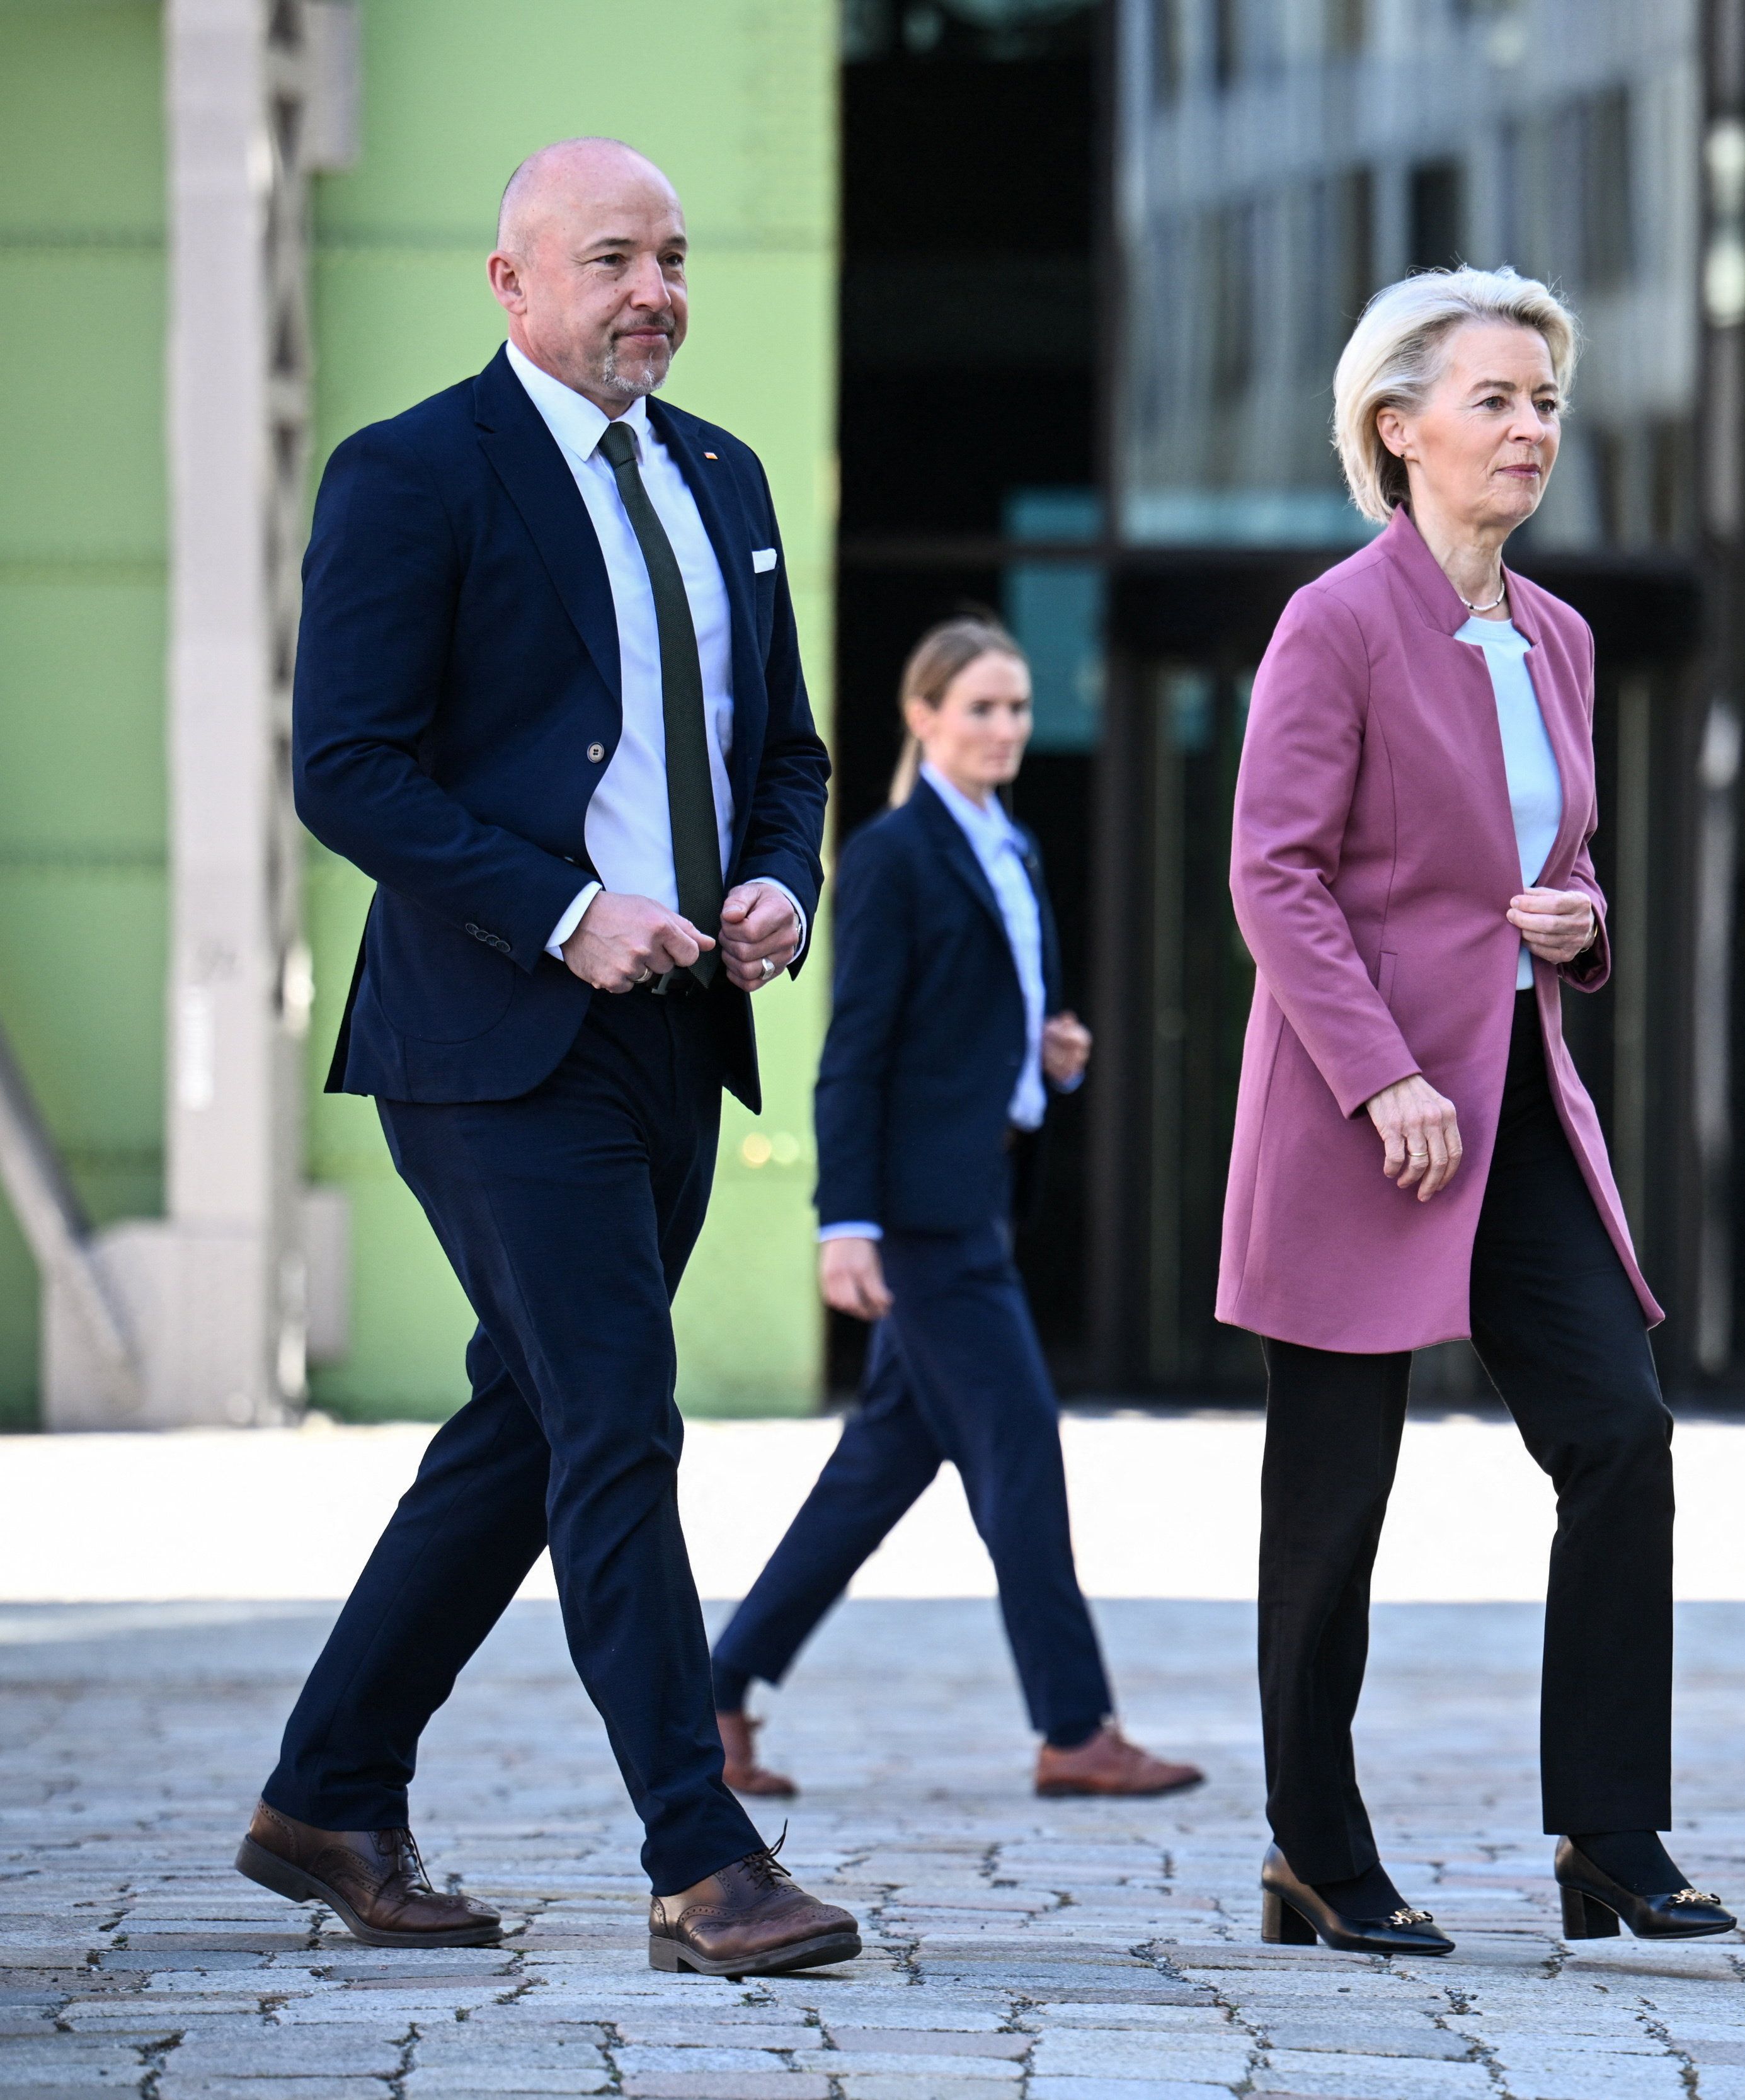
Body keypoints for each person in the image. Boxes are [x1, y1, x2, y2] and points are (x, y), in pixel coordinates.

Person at [244, 139, 857, 1980]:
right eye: (612, 258)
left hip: (678, 1032)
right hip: (496, 1030)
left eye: (671, 256)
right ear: (512, 282)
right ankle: (702, 1853)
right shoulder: (416, 471)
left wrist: (774, 882)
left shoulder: (726, 478)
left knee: (528, 1420)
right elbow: (346, 763)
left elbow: (792, 755)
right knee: (614, 1416)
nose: (653, 289)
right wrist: (560, 904)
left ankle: (328, 1791)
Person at [1219, 267, 1729, 1958]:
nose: (1533, 430)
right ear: (1399, 428)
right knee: (1336, 1492)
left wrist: (1578, 914)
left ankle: (1611, 1833)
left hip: (1516, 1099)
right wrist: (1382, 1073)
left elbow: (1550, 866)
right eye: (1498, 400)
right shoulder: (1336, 620)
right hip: (1367, 1109)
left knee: (1622, 1435)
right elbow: (1275, 876)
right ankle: (1316, 1844)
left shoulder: (1560, 635)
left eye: (1546, 402)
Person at [704, 616, 1202, 1804]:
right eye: (980, 707)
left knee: (875, 1471)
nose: (1005, 729)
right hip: (925, 1218)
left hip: (981, 1193)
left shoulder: (1012, 850)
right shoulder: (888, 856)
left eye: (1019, 707)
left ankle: (713, 1700)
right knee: (1020, 1446)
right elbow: (858, 1050)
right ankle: (1076, 1726)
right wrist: (846, 1222)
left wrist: (1050, 1056)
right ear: (923, 716)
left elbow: (971, 1027)